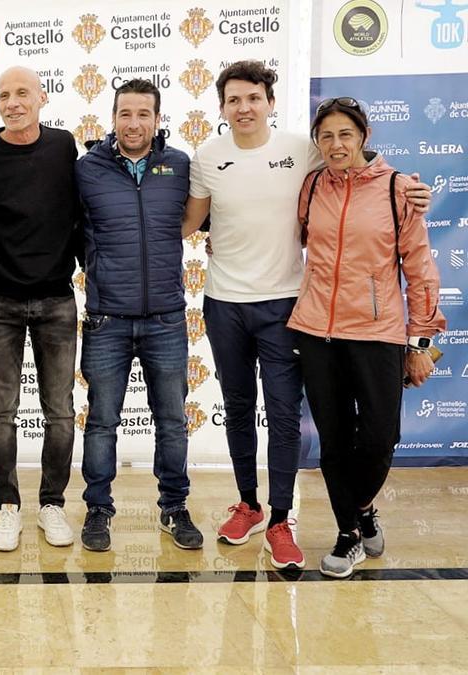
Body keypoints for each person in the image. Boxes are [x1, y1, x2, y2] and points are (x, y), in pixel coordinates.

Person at [181, 60, 431, 569]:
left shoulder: (303, 151)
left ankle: (282, 518)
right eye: (233, 100)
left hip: (288, 306)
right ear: (222, 108)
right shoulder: (208, 155)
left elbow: (360, 165)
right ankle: (250, 504)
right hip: (228, 302)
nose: (244, 107)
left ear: (271, 102)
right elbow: (190, 220)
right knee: (238, 406)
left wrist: (410, 190)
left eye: (254, 97)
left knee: (287, 416)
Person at [288, 97, 445, 578]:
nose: (336, 145)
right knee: (333, 442)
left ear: (364, 136)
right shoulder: (312, 185)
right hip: (316, 330)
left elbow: (419, 272)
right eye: (327, 136)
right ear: (318, 142)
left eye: (345, 135)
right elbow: (291, 238)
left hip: (377, 333)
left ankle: (360, 509)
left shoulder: (399, 188)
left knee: (380, 437)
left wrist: (420, 343)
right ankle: (348, 533)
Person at [0, 66, 82, 552]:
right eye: (4, 95)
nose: (13, 102)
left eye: (22, 93)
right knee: (1, 412)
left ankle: (51, 504)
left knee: (61, 413)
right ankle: (7, 507)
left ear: (42, 97)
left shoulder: (63, 147)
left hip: (56, 300)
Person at [75, 79, 202, 552]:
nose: (134, 123)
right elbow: (70, 230)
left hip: (166, 318)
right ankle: (97, 511)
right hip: (107, 318)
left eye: (143, 114)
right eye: (125, 113)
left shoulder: (180, 166)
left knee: (171, 419)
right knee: (102, 421)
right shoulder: (87, 170)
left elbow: (203, 217)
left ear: (157, 118)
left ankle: (174, 507)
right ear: (112, 118)